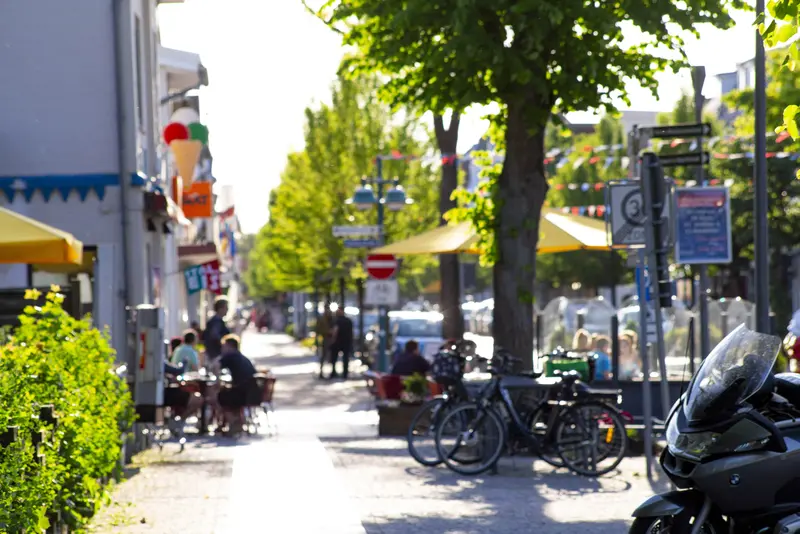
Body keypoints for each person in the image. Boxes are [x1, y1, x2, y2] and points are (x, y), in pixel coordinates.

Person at [214, 334, 258, 434]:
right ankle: (236, 423)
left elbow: (216, 365)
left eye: (224, 346)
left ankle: (233, 423)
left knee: (220, 396)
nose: (222, 349)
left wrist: (217, 380)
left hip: (242, 394)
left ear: (229, 346)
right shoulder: (243, 357)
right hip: (252, 393)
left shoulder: (230, 355)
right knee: (227, 393)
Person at [329, 308, 354, 379]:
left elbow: (335, 331)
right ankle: (344, 374)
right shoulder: (348, 320)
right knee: (345, 358)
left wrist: (332, 340)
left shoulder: (337, 321)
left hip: (338, 342)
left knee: (334, 358)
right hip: (346, 342)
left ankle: (334, 373)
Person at [203, 298, 231, 365]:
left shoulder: (216, 321)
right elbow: (215, 335)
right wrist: (225, 345)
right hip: (216, 353)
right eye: (226, 308)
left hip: (213, 352)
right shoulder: (216, 321)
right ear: (220, 309)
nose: (227, 310)